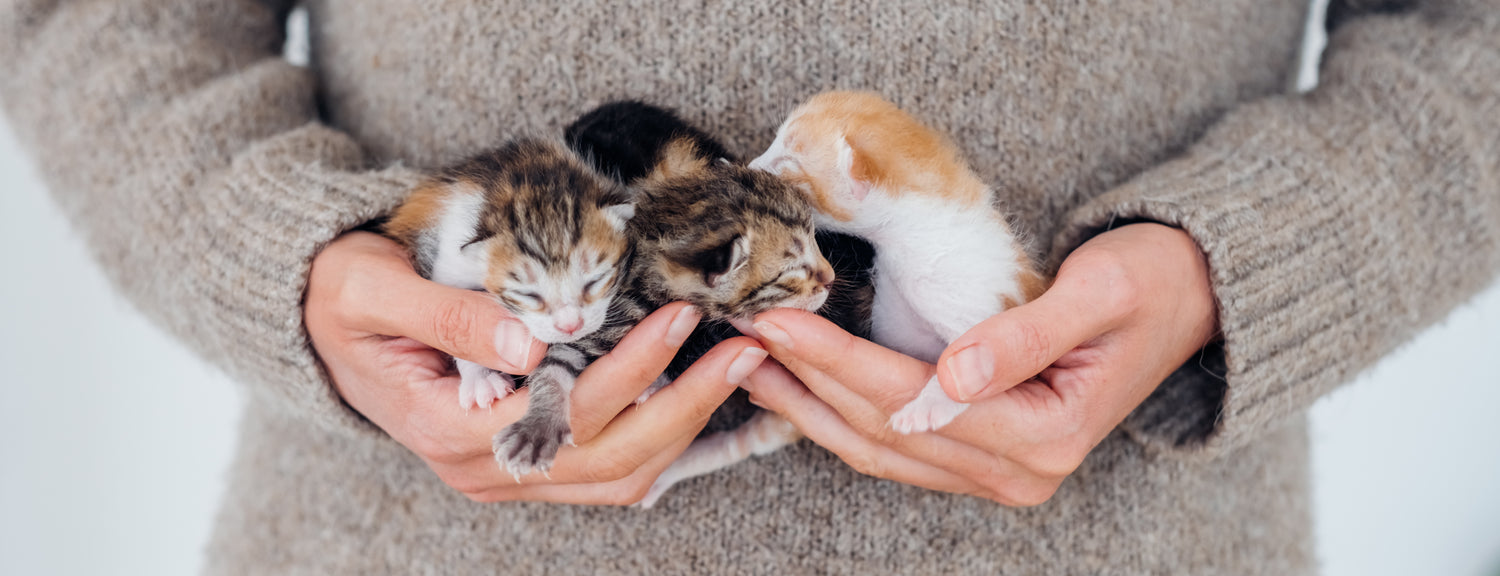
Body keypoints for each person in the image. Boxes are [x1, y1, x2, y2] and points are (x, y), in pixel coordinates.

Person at [2, 0, 1495, 573]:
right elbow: (100, 20)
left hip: (1134, 538)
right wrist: (302, 266)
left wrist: (1240, 264)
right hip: (400, 537)